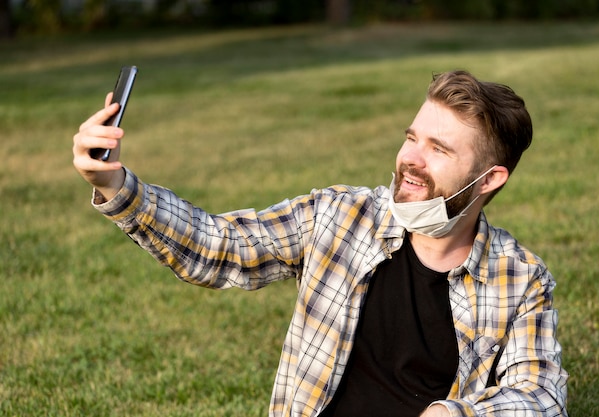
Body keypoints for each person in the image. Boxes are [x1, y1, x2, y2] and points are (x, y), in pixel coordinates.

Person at [73, 70, 569, 416]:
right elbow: (219, 246)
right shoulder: (340, 216)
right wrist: (117, 187)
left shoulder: (519, 277)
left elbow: (542, 397)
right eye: (412, 137)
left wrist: (450, 414)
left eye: (438, 149)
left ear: (488, 179)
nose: (411, 159)